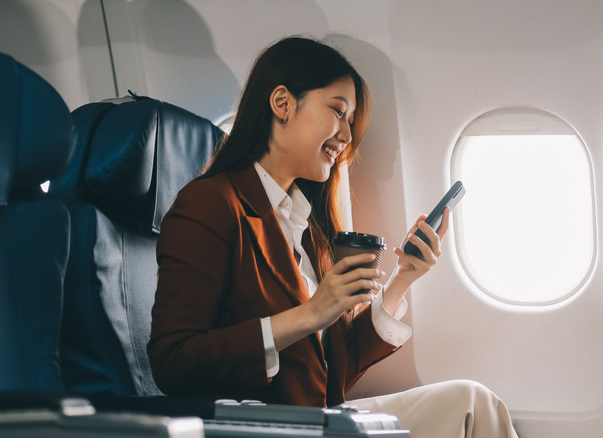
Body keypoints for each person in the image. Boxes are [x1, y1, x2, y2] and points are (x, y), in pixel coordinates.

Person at [148, 36, 519, 438]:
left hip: (319, 420)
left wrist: (404, 277)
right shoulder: (211, 203)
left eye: (351, 122)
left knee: (472, 403)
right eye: (339, 112)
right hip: (265, 428)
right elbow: (173, 362)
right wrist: (310, 314)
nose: (346, 136)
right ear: (282, 104)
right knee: (471, 403)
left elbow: (333, 376)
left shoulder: (304, 227)